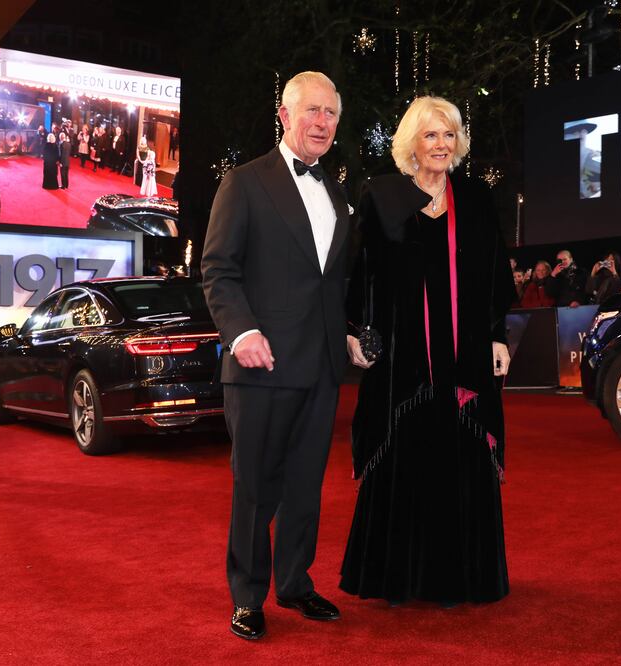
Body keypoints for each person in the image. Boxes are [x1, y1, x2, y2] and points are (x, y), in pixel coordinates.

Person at [340, 95, 514, 607]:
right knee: (404, 458)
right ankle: (398, 579)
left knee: (463, 458)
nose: (441, 144)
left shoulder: (476, 199)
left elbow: (493, 275)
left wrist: (498, 334)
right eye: (430, 135)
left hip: (465, 359)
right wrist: (355, 331)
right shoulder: (381, 197)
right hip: (401, 360)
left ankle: (463, 579)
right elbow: (359, 273)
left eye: (449, 134)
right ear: (411, 144)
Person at [201, 71, 349, 641]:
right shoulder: (244, 182)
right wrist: (241, 333)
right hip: (260, 365)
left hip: (321, 365)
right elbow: (218, 269)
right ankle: (247, 595)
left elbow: (327, 282)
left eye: (331, 113)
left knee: (305, 487)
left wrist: (349, 333)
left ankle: (294, 583)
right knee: (255, 488)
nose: (322, 122)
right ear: (284, 115)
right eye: (312, 110)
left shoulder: (335, 190)